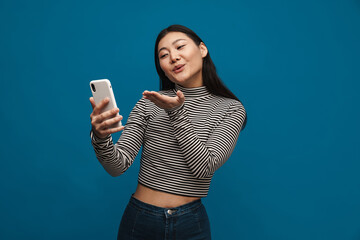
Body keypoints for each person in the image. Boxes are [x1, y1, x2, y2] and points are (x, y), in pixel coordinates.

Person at [89, 24, 247, 240]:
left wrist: (175, 112)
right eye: (164, 55)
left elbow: (204, 167)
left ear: (202, 50)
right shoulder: (149, 104)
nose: (173, 57)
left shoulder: (230, 109)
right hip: (140, 219)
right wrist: (100, 137)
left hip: (191, 223)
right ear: (161, 67)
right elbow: (117, 166)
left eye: (180, 47)